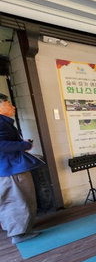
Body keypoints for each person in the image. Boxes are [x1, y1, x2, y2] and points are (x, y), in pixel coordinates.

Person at [0, 93, 44, 244]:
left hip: (12, 167)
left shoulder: (5, 122)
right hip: (10, 170)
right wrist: (25, 145)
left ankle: (23, 228)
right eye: (8, 104)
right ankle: (18, 234)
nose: (13, 107)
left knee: (22, 199)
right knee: (15, 201)